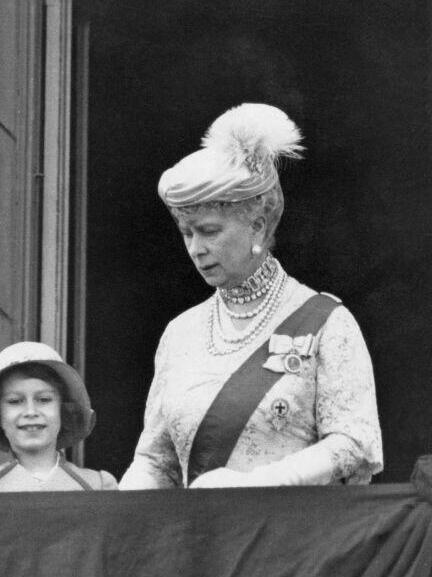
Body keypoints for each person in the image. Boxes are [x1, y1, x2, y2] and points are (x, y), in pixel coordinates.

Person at [119, 103, 383, 489]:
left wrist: (261, 483)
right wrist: (111, 521)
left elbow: (355, 442)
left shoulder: (326, 321)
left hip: (293, 541)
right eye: (186, 233)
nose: (196, 249)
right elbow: (156, 463)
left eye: (209, 231)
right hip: (200, 543)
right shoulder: (180, 334)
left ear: (257, 226)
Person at [0, 341, 117, 492]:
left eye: (44, 400)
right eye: (15, 401)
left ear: (63, 410)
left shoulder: (97, 485)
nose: (31, 412)